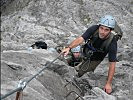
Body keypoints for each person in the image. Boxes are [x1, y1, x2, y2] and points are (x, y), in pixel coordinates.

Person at [61, 15, 122, 94]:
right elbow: (81, 39)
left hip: (95, 58)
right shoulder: (94, 29)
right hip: (86, 50)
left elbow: (112, 64)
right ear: (99, 26)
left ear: (110, 31)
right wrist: (69, 48)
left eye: (106, 30)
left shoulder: (112, 42)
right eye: (101, 28)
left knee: (80, 73)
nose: (102, 32)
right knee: (72, 58)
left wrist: (108, 84)